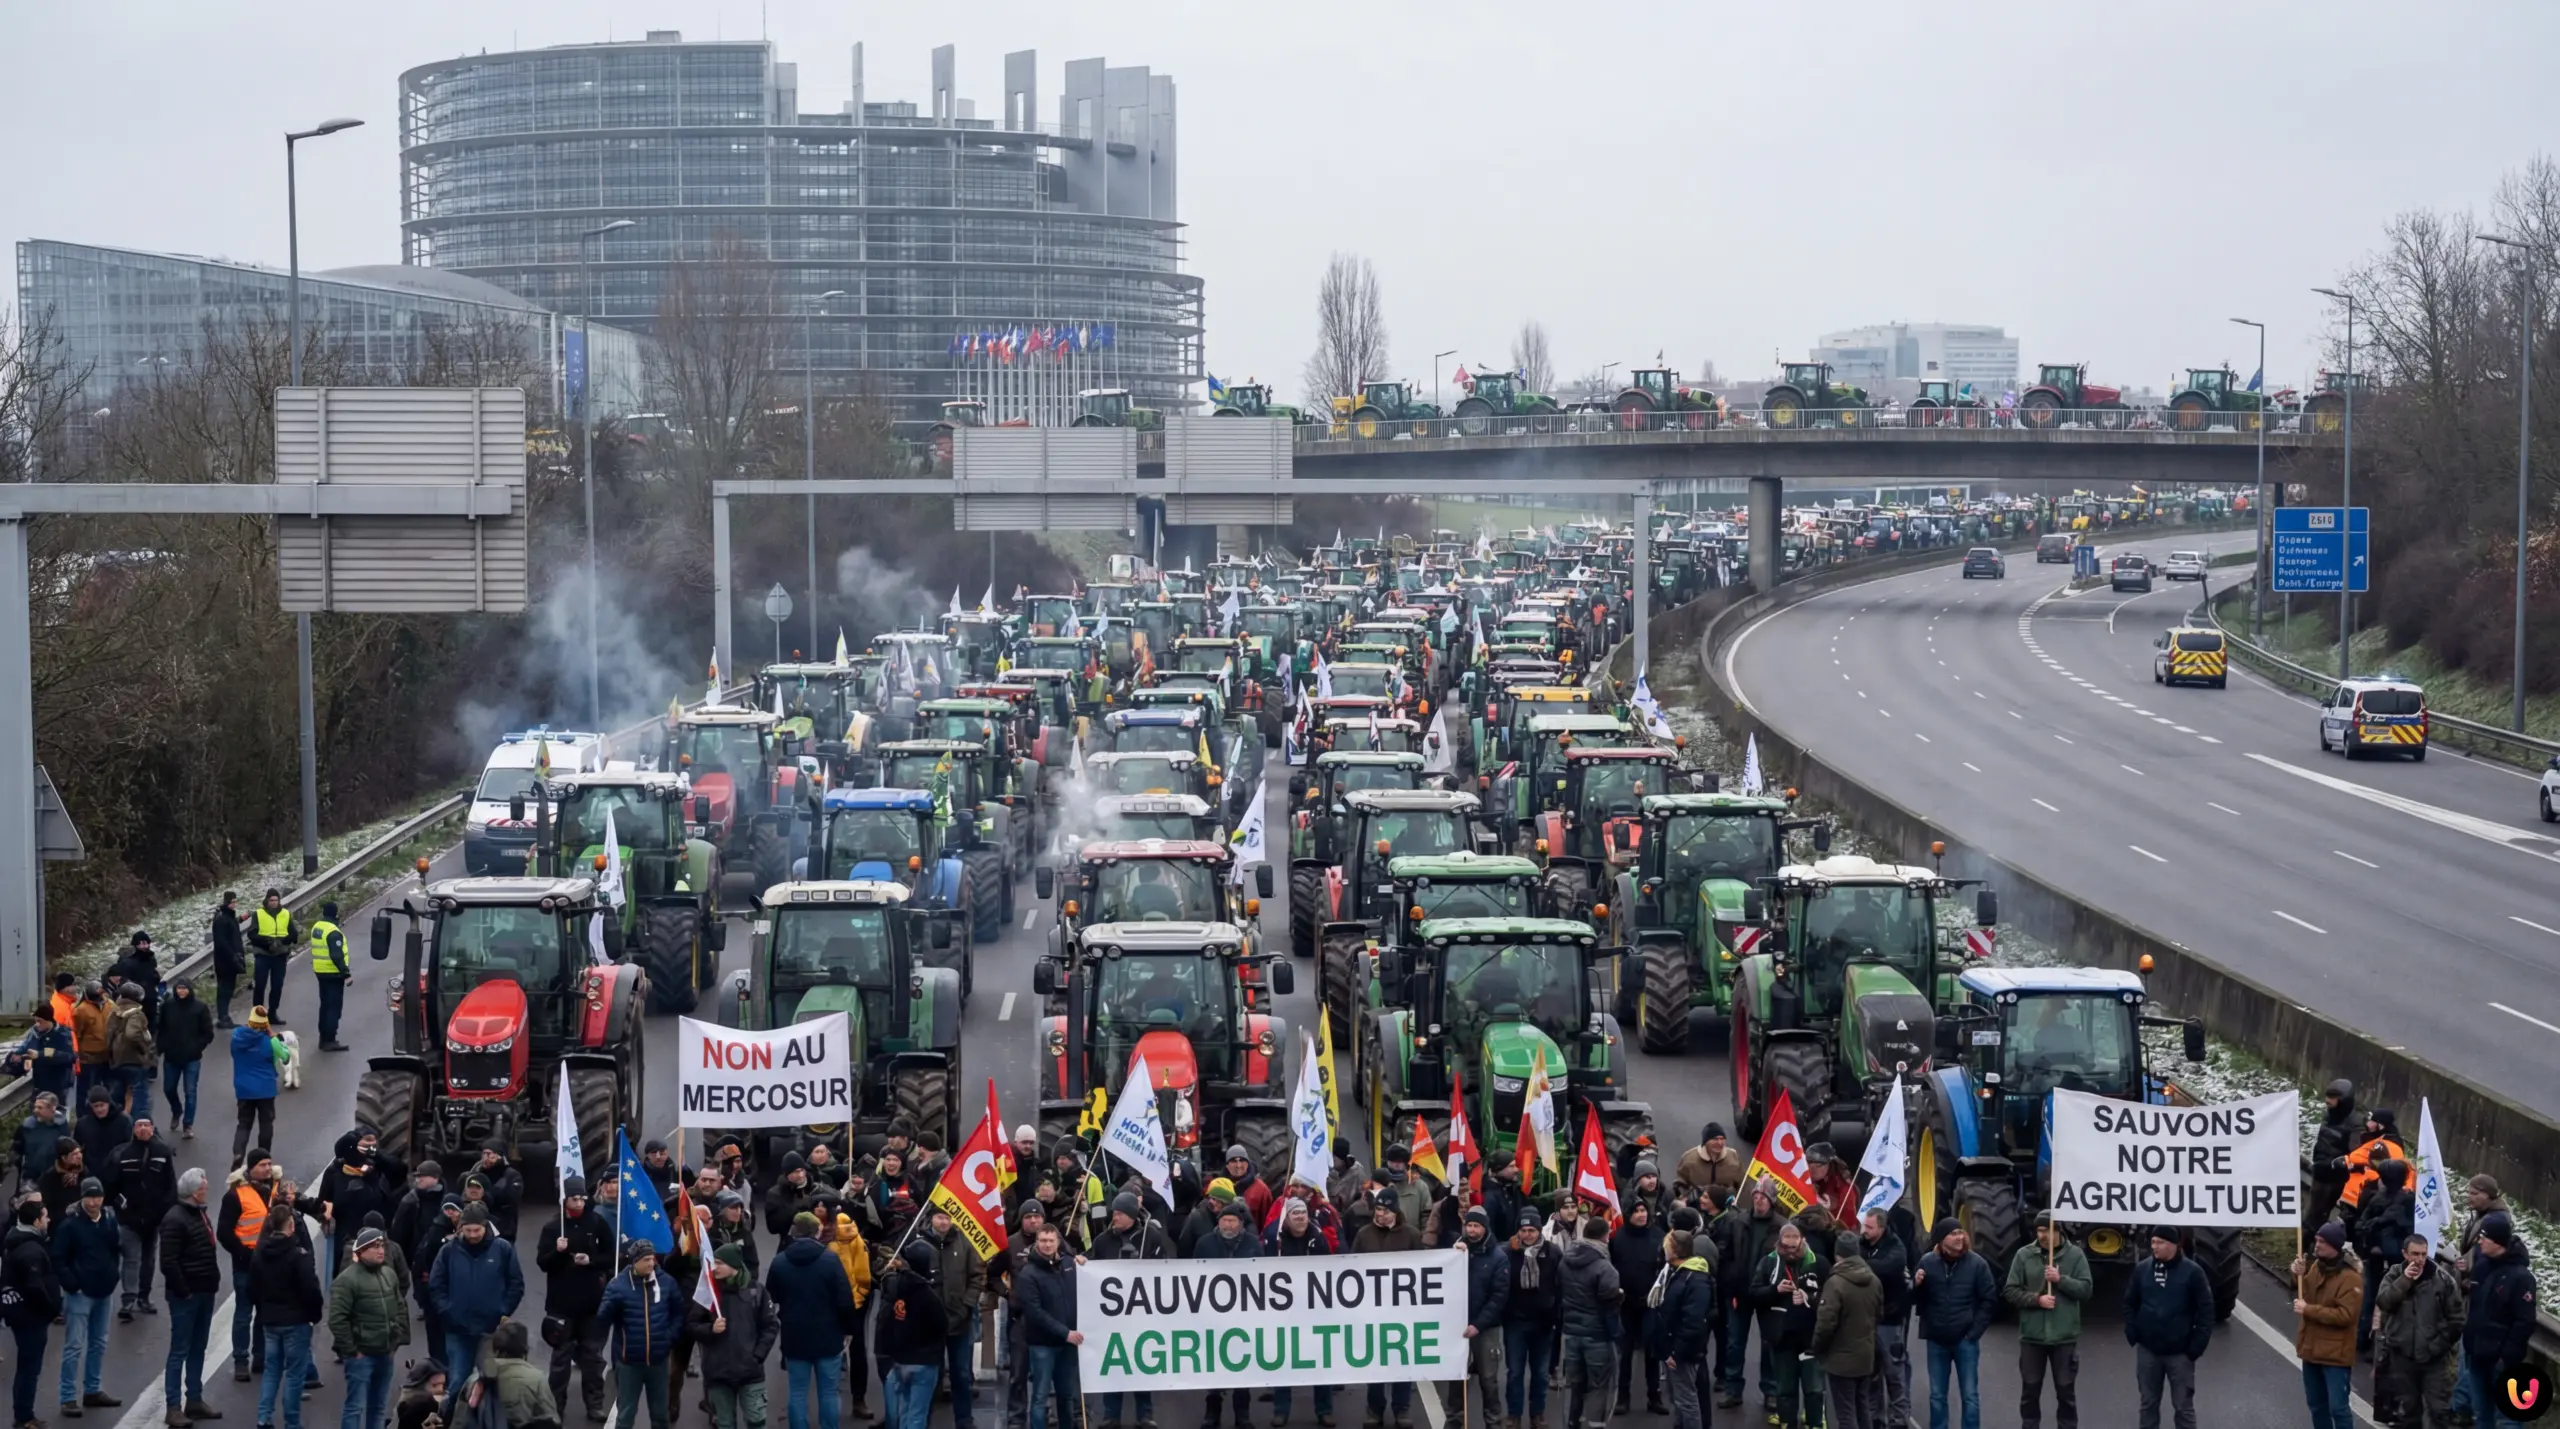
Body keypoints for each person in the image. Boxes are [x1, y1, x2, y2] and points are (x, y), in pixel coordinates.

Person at [426, 1204, 524, 1404]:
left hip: (490, 1330)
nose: (472, 1235)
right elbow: (436, 1285)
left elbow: (516, 1283)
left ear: (485, 1226)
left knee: (490, 1384)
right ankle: (453, 1423)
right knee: (457, 1384)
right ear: (461, 1228)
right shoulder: (447, 1251)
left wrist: (503, 1311)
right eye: (468, 1230)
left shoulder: (503, 1249)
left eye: (476, 1230)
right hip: (457, 1329)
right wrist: (447, 1311)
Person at [537, 1176, 615, 1424]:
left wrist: (590, 1261)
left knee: (592, 1360)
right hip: (561, 1307)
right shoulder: (553, 1228)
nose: (579, 1202)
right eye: (574, 1198)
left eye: (582, 1198)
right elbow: (543, 1263)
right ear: (565, 1200)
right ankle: (555, 1409)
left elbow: (610, 1256)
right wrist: (558, 1253)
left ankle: (594, 1405)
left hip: (591, 1305)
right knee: (560, 1363)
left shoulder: (596, 1221)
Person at [767, 1212, 855, 1429]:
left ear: (794, 1232)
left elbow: (773, 1296)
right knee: (828, 1391)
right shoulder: (830, 1260)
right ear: (817, 1231)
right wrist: (848, 1329)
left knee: (797, 1391)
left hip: (794, 1335)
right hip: (829, 1334)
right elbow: (844, 1299)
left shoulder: (779, 1262)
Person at [2001, 1212, 2089, 1429]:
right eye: (2039, 1230)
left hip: (2064, 1337)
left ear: (2058, 1231)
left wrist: (2061, 1280)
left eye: (2047, 1230)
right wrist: (2036, 1299)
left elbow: (2086, 1290)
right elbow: (2010, 1291)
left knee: (2065, 1391)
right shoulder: (2024, 1255)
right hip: (2033, 1337)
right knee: (2030, 1391)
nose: (2042, 1235)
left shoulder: (2075, 1256)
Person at [2122, 1229, 2212, 1429]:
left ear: (2174, 1244)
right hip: (2148, 1351)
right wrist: (2133, 1331)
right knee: (2148, 1404)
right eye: (2153, 1242)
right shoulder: (2142, 1269)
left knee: (2183, 1407)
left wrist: (2196, 1347)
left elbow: (2206, 1312)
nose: (2154, 1246)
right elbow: (2129, 1303)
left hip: (2180, 1354)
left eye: (2160, 1242)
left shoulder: (2193, 1272)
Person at [253, 1180, 325, 1429]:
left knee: (272, 1371)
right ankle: (292, 1423)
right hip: (295, 1322)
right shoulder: (298, 1256)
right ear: (291, 1225)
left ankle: (263, 1417)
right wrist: (314, 1316)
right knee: (294, 1375)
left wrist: (262, 1311)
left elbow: (253, 1287)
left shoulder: (260, 1254)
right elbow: (310, 1289)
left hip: (271, 1321)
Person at [1910, 1219, 1995, 1429]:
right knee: (1937, 1396)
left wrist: (1974, 1333)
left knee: (1970, 1396)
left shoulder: (1977, 1264)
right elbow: (1915, 1302)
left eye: (1961, 1232)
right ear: (1941, 1239)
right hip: (1937, 1341)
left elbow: (1989, 1299)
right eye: (1953, 1234)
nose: (1959, 1237)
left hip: (1965, 1341)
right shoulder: (1927, 1262)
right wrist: (1916, 1285)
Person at [51, 1175, 123, 1420]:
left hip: (105, 1291)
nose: (94, 1202)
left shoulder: (109, 1221)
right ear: (82, 1198)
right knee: (74, 1346)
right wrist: (72, 1285)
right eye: (90, 1197)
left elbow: (115, 1250)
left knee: (99, 1344)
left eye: (98, 1197)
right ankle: (68, 1397)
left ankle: (92, 1390)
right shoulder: (69, 1226)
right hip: (80, 1294)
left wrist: (114, 1275)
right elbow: (58, 1259)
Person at [2375, 1233, 2463, 1429]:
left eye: (2423, 1254)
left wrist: (2436, 1347)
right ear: (2405, 1254)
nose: (2419, 1259)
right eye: (2415, 1254)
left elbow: (2456, 1320)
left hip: (2434, 1359)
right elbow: (2384, 1302)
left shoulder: (2443, 1280)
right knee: (2407, 1412)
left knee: (2439, 1411)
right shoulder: (2394, 1274)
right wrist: (2404, 1281)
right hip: (2402, 1356)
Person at [1265, 1199, 1339, 1429]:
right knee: (1284, 1361)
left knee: (1320, 1362)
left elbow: (1328, 1271)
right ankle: (1281, 1411)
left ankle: (1324, 1410)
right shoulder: (1274, 1239)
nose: (1300, 1218)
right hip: (1283, 1312)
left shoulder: (1318, 1238)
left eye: (1303, 1213)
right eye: (1295, 1213)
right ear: (1286, 1218)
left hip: (1313, 1310)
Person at [329, 1225, 412, 1429]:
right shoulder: (347, 1280)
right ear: (361, 1251)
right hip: (362, 1356)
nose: (380, 1250)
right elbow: (337, 1319)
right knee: (355, 1407)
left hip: (385, 1353)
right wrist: (352, 1351)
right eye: (374, 1247)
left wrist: (395, 1342)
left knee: (378, 1407)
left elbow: (400, 1307)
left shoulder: (388, 1274)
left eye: (381, 1245)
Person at [689, 1244, 777, 1429]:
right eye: (714, 1263)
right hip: (718, 1373)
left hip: (750, 1373)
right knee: (725, 1424)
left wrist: (758, 1356)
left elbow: (770, 1325)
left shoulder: (756, 1291)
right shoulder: (709, 1293)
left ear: (734, 1265)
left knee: (756, 1422)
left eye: (720, 1263)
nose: (715, 1268)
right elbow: (691, 1325)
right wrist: (710, 1329)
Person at [159, 1166, 222, 1427]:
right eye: (203, 1188)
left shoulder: (198, 1214)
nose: (206, 1191)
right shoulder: (175, 1219)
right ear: (193, 1193)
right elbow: (168, 1262)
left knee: (198, 1348)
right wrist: (184, 1291)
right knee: (180, 1351)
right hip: (187, 1296)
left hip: (204, 1292)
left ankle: (194, 1399)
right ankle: (173, 1407)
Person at [1748, 1220, 1824, 1429]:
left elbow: (1830, 1298)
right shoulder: (1769, 1262)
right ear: (1780, 1243)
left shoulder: (1816, 1262)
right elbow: (1753, 1294)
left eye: (1795, 1246)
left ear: (1802, 1242)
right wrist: (1775, 1290)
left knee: (1814, 1389)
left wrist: (1808, 1297)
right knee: (1784, 1389)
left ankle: (1815, 1423)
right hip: (1781, 1337)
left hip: (1810, 1337)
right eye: (1787, 1246)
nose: (1791, 1251)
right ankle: (1787, 1423)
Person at [2461, 1213, 2535, 1429]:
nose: (2479, 1241)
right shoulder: (2483, 1266)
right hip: (2476, 1353)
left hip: (2502, 1361)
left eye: (2485, 1237)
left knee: (2507, 1419)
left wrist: (2507, 1356)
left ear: (2499, 1243)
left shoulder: (2521, 1278)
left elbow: (2524, 1321)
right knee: (2481, 1414)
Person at [1190, 1201, 1259, 1429]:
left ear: (1240, 1223)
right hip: (1213, 1316)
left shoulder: (1251, 1243)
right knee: (1215, 1366)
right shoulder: (1205, 1243)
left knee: (1242, 1366)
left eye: (1232, 1221)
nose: (1227, 1224)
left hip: (1243, 1314)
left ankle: (1243, 1414)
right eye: (1224, 1220)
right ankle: (1212, 1412)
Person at [1715, 1181, 1783, 1411]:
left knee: (1769, 1344)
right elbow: (1725, 1257)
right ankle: (1733, 1390)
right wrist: (1730, 1288)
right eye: (1756, 1195)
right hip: (1740, 1293)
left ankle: (1771, 1391)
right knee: (1735, 1343)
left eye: (1764, 1196)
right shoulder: (1738, 1222)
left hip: (1768, 1295)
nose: (1759, 1199)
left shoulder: (1782, 1227)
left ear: (1772, 1200)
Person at [601, 1240, 683, 1429]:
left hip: (659, 1362)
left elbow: (678, 1312)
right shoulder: (618, 1286)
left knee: (661, 1415)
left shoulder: (667, 1283)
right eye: (646, 1259)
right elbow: (603, 1319)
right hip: (629, 1362)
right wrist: (609, 1300)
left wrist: (669, 1338)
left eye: (652, 1259)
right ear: (634, 1261)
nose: (651, 1263)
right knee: (626, 1415)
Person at [2292, 1221, 2362, 1429]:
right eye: (2317, 1240)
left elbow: (2346, 1316)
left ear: (2334, 1245)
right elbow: (2306, 1294)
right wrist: (2299, 1275)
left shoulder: (2351, 1279)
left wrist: (2309, 1310)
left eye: (2322, 1241)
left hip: (2335, 1355)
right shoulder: (2317, 1267)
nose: (2317, 1245)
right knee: (2316, 1405)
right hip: (2311, 1349)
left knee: (2338, 1409)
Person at [219, 1149, 280, 1382]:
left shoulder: (275, 1190)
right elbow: (225, 1232)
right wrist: (243, 1254)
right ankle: (241, 1361)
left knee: (264, 1313)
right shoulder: (236, 1195)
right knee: (244, 1314)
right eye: (263, 1164)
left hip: (270, 1264)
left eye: (269, 1164)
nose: (267, 1168)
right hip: (245, 1265)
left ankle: (260, 1358)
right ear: (251, 1167)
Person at [106, 1116, 175, 1321]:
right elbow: (110, 1187)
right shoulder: (121, 1154)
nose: (143, 1128)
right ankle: (129, 1299)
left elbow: (170, 1186)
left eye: (147, 1125)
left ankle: (144, 1296)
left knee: (148, 1259)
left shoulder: (163, 1152)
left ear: (153, 1128)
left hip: (153, 1220)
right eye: (139, 1125)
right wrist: (123, 1208)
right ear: (133, 1129)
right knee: (131, 1258)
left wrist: (162, 1212)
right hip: (129, 1219)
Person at [922, 1206, 985, 1429]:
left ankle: (964, 1421)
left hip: (961, 1321)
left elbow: (977, 1276)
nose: (944, 1222)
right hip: (929, 1325)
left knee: (962, 1376)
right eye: (940, 1217)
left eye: (947, 1218)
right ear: (932, 1219)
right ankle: (923, 1421)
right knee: (929, 1378)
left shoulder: (964, 1242)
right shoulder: (921, 1243)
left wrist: (968, 1305)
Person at [1557, 1217, 1622, 1429]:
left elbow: (1560, 1291)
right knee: (1599, 1386)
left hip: (1572, 1333)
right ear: (1604, 1236)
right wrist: (1620, 1296)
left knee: (1576, 1385)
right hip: (1597, 1335)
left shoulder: (1565, 1260)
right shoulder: (1604, 1267)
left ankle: (1573, 1423)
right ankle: (1596, 1425)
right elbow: (1609, 1303)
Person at [1813, 1232, 1883, 1429]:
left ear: (1838, 1255)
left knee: (1845, 1414)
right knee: (1862, 1407)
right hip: (1865, 1356)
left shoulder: (1835, 1283)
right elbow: (1879, 1314)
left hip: (1840, 1360)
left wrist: (1817, 1348)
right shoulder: (1874, 1280)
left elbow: (1825, 1324)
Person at [1012, 1225, 1079, 1429]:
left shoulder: (1070, 1265)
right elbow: (1035, 1313)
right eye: (1043, 1241)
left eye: (1051, 1240)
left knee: (1066, 1396)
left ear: (1058, 1241)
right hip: (1043, 1345)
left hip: (1068, 1344)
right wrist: (1065, 1333)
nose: (1047, 1245)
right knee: (1040, 1398)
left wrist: (1084, 1265)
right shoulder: (1028, 1274)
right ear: (1037, 1243)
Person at [1503, 1207, 1563, 1429]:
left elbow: (1561, 1287)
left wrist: (1557, 1316)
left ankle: (1537, 1414)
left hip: (1544, 1324)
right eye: (1523, 1230)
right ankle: (1514, 1415)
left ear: (1539, 1231)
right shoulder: (1508, 1253)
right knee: (1514, 1372)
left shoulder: (1554, 1253)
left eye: (1531, 1230)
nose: (1527, 1235)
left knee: (1540, 1373)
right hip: (1515, 1322)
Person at [6, 1200, 64, 1429]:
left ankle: (23, 1413)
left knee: (26, 1366)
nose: (48, 1220)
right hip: (31, 1318)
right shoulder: (30, 1249)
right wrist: (51, 1309)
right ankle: (24, 1417)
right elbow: (34, 1286)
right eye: (45, 1216)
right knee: (29, 1369)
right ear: (37, 1220)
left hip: (23, 1315)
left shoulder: (17, 1240)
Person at [875, 1240, 944, 1429]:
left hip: (901, 1360)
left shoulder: (897, 1287)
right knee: (917, 1414)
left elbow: (888, 1319)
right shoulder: (929, 1296)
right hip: (923, 1361)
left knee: (904, 1410)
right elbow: (941, 1326)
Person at [1649, 1230, 1714, 1429]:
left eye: (1667, 1245)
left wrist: (1676, 1352)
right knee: (1678, 1398)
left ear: (1676, 1250)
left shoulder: (1695, 1279)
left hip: (1683, 1352)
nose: (1663, 1248)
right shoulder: (1676, 1272)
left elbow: (1693, 1321)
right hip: (1672, 1348)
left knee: (1687, 1400)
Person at [1606, 1200, 1665, 1416]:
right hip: (1625, 1304)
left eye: (1644, 1211)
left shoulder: (1658, 1235)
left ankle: (1654, 1396)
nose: (1641, 1215)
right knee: (1626, 1352)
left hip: (1651, 1303)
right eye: (1637, 1211)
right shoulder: (1618, 1237)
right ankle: (1622, 1397)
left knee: (1652, 1351)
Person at [818, 1207, 873, 1423]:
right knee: (858, 1353)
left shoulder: (822, 1239)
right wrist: (857, 1300)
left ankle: (831, 1402)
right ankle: (859, 1400)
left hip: (830, 1306)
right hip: (854, 1305)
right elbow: (864, 1275)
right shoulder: (856, 1238)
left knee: (829, 1355)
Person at [469, 1320, 560, 1429]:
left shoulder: (476, 1379)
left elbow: (460, 1419)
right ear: (524, 1350)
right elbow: (552, 1419)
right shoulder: (536, 1378)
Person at [154, 982, 214, 1141]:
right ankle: (176, 1110)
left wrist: (198, 1047)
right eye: (179, 988)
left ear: (190, 990)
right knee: (168, 1088)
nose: (181, 991)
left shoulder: (199, 1007)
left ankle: (188, 1125)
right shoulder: (168, 1006)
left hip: (192, 1058)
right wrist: (160, 1048)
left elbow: (208, 1032)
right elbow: (161, 1029)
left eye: (184, 988)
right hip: (172, 1057)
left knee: (190, 1092)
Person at [229, 1010, 284, 1166]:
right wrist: (273, 1036)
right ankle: (262, 1158)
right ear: (265, 1024)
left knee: (244, 1123)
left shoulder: (237, 1038)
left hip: (243, 1089)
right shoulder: (269, 1041)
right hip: (266, 1089)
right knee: (266, 1123)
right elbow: (284, 1057)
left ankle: (238, 1154)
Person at [2307, 1080, 2357, 1238]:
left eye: (2332, 1097)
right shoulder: (2329, 1115)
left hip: (2334, 1178)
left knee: (2318, 1216)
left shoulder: (2354, 1124)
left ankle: (2314, 1247)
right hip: (2319, 1172)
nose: (2327, 1100)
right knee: (2312, 1214)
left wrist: (2336, 1165)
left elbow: (2355, 1154)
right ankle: (2306, 1244)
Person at [8, 1006, 77, 1109]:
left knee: (56, 1120)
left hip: (59, 1087)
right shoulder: (34, 1034)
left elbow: (69, 1057)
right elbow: (24, 1050)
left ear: (49, 1020)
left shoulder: (63, 1034)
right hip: (39, 1087)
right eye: (35, 1021)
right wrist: (14, 1059)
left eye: (40, 1021)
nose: (37, 1024)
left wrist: (40, 1054)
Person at [306, 902, 350, 1052]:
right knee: (333, 1008)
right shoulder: (333, 932)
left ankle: (323, 1038)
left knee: (324, 1006)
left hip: (320, 972)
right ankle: (330, 1039)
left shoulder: (317, 927)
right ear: (335, 914)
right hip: (333, 974)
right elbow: (336, 955)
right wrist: (346, 973)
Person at [247, 890, 296, 1022]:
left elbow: (293, 934)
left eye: (276, 900)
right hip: (263, 954)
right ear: (267, 901)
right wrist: (267, 942)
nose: (274, 903)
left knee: (277, 985)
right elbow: (252, 934)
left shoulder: (285, 914)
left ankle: (273, 1013)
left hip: (280, 955)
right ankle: (257, 1015)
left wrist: (282, 942)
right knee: (260, 985)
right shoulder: (258, 914)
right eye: (271, 900)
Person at [12, 1093, 70, 1193]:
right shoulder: (26, 1126)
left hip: (53, 1180)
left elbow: (66, 1152)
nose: (35, 1111)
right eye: (35, 1107)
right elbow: (16, 1150)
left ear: (52, 1109)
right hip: (29, 1181)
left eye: (40, 1108)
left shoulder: (62, 1127)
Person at [1674, 1124, 1744, 1203]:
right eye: (1715, 1139)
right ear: (1705, 1142)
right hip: (1698, 1206)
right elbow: (1680, 1184)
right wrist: (1685, 1199)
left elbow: (1742, 1185)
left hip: (1725, 1206)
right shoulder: (1689, 1159)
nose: (1719, 1143)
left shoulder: (1733, 1157)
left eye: (1722, 1139)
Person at [73, 1089, 131, 1180]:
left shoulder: (123, 1121)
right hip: (92, 1175)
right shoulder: (83, 1124)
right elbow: (76, 1148)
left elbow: (130, 1145)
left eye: (102, 1105)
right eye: (96, 1106)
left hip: (117, 1174)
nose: (99, 1109)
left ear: (108, 1103)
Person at [210, 895, 247, 1029]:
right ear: (227, 902)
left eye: (235, 901)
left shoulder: (228, 917)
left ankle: (224, 1015)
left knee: (229, 987)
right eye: (232, 902)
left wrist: (240, 919)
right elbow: (221, 941)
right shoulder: (221, 919)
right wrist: (233, 956)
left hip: (230, 959)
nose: (234, 904)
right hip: (225, 961)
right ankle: (223, 1017)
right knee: (224, 988)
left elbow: (230, 929)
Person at [396, 1362, 447, 1429]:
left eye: (443, 1385)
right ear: (420, 1384)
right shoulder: (419, 1406)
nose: (440, 1389)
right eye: (434, 1385)